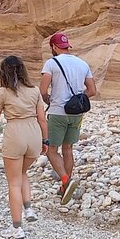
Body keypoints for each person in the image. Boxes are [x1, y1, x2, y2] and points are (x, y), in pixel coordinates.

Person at [0, 56, 49, 239]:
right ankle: (28, 209)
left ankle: (17, 228)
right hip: (34, 134)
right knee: (22, 173)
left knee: (13, 182)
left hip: (15, 134)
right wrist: (45, 140)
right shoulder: (34, 90)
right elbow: (42, 119)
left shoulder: (3, 92)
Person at [40, 32, 96, 205]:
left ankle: (65, 180)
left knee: (51, 150)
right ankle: (65, 188)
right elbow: (92, 90)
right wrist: (76, 100)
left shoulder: (51, 63)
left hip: (57, 113)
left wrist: (48, 99)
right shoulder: (82, 63)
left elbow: (43, 90)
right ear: (67, 46)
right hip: (76, 114)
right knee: (68, 149)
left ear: (54, 47)